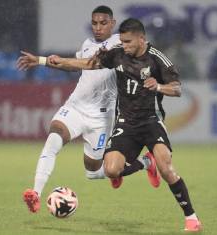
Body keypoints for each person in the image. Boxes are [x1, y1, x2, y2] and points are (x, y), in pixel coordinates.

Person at [47, 18, 202, 232]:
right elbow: (90, 64)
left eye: (128, 42)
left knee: (166, 169)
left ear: (141, 39)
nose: (124, 45)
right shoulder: (118, 53)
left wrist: (158, 86)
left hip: (151, 121)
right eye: (122, 41)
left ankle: (191, 218)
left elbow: (177, 89)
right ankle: (147, 163)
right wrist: (59, 62)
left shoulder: (157, 59)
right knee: (111, 170)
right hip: (126, 122)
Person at [17, 6, 160, 214]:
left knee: (94, 173)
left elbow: (134, 56)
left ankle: (147, 162)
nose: (98, 28)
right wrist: (40, 61)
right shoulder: (87, 44)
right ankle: (36, 194)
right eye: (94, 23)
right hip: (75, 106)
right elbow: (76, 65)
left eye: (103, 23)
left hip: (101, 118)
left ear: (112, 23)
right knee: (53, 138)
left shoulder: (122, 44)